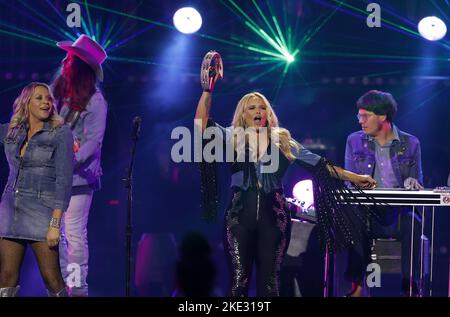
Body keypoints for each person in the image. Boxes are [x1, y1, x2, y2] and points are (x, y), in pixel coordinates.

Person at [195, 52, 377, 297]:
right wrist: (207, 91)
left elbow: (321, 165)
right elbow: (201, 126)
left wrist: (356, 178)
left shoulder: (283, 141)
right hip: (238, 217)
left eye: (263, 108)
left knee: (270, 285)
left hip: (274, 217)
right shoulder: (232, 135)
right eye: (252, 108)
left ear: (269, 114)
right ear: (243, 114)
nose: (258, 111)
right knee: (239, 283)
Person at [344, 90, 423, 297]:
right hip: (367, 211)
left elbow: (418, 181)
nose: (361, 121)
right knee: (353, 217)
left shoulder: (411, 143)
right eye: (359, 116)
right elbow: (349, 182)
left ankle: (410, 289)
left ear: (382, 116)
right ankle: (358, 287)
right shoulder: (354, 141)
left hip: (396, 212)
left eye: (365, 116)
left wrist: (413, 182)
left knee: (413, 222)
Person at [0, 82, 73, 297]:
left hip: (42, 212)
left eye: (49, 98)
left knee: (52, 278)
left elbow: (64, 181)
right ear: (26, 102)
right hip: (10, 210)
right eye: (39, 98)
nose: (46, 102)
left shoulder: (60, 133)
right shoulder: (12, 131)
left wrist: (54, 224)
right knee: (6, 276)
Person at [51, 34, 108, 296]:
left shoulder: (96, 102)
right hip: (55, 178)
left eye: (70, 57)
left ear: (79, 66)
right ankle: (63, 286)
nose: (64, 61)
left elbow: (93, 144)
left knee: (73, 235)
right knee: (56, 236)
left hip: (79, 180)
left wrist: (69, 161)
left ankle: (78, 289)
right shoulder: (58, 94)